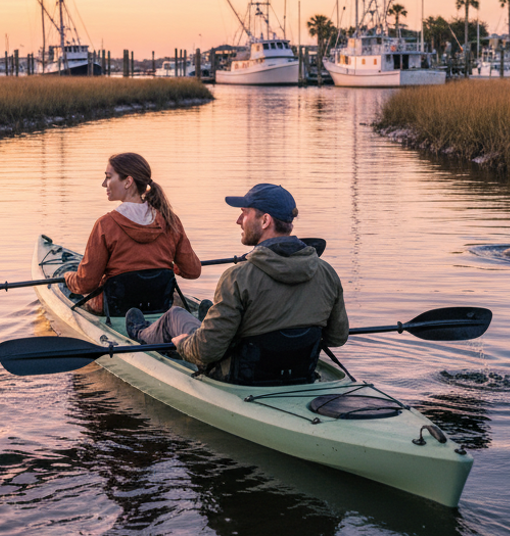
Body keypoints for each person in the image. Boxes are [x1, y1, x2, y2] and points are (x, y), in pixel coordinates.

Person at [129, 183, 348, 384]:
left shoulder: (238, 277)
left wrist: (184, 344)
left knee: (175, 315)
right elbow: (337, 337)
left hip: (240, 378)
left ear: (265, 221)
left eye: (244, 213)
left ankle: (139, 333)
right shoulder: (327, 272)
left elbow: (206, 353)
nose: (238, 221)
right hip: (300, 371)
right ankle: (210, 319)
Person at [63, 153, 201, 315]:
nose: (103, 184)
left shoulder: (105, 225)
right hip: (158, 305)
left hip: (115, 311)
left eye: (108, 177)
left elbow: (86, 284)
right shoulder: (171, 221)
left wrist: (68, 277)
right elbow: (192, 271)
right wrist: (168, 264)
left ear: (128, 182)